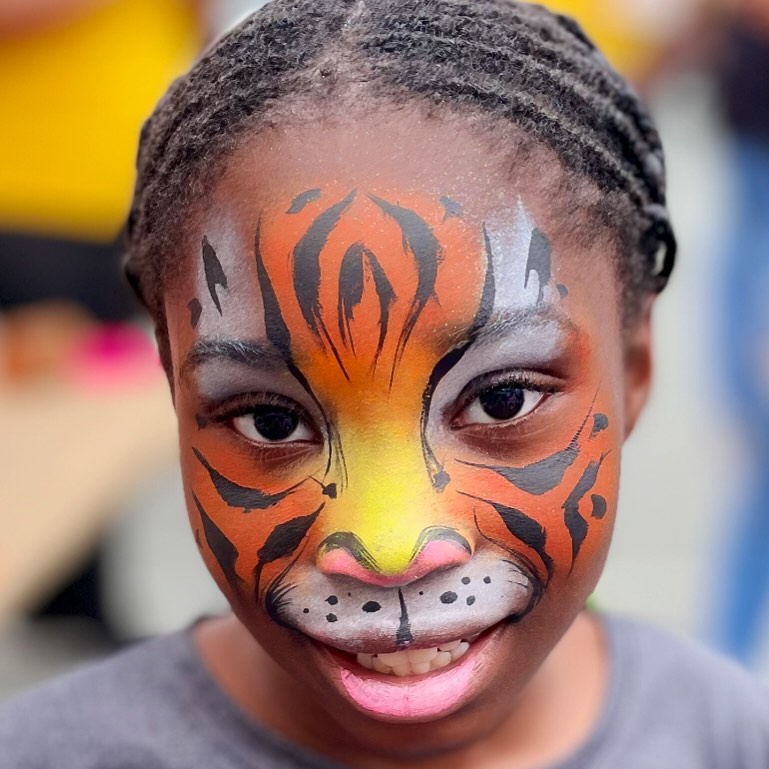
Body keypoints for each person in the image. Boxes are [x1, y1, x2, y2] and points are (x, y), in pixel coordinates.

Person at [2, 1, 768, 766]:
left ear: (633, 369)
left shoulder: (723, 738)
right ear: (176, 390)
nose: (390, 545)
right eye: (269, 420)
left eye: (501, 400)